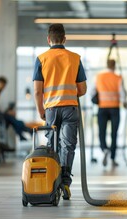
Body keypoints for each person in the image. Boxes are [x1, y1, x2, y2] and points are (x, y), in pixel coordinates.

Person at [33, 23, 87, 200]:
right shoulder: (75, 58)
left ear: (48, 39)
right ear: (64, 39)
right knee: (68, 145)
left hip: (51, 109)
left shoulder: (41, 59)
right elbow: (83, 89)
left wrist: (41, 110)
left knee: (52, 145)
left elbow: (37, 90)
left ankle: (51, 181)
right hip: (70, 107)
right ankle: (65, 181)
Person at [93, 59, 127, 167]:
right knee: (114, 134)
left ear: (106, 65)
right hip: (115, 108)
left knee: (101, 132)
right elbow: (122, 92)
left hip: (102, 108)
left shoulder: (99, 76)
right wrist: (125, 102)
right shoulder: (118, 78)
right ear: (115, 66)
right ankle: (112, 158)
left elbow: (92, 92)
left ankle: (104, 149)